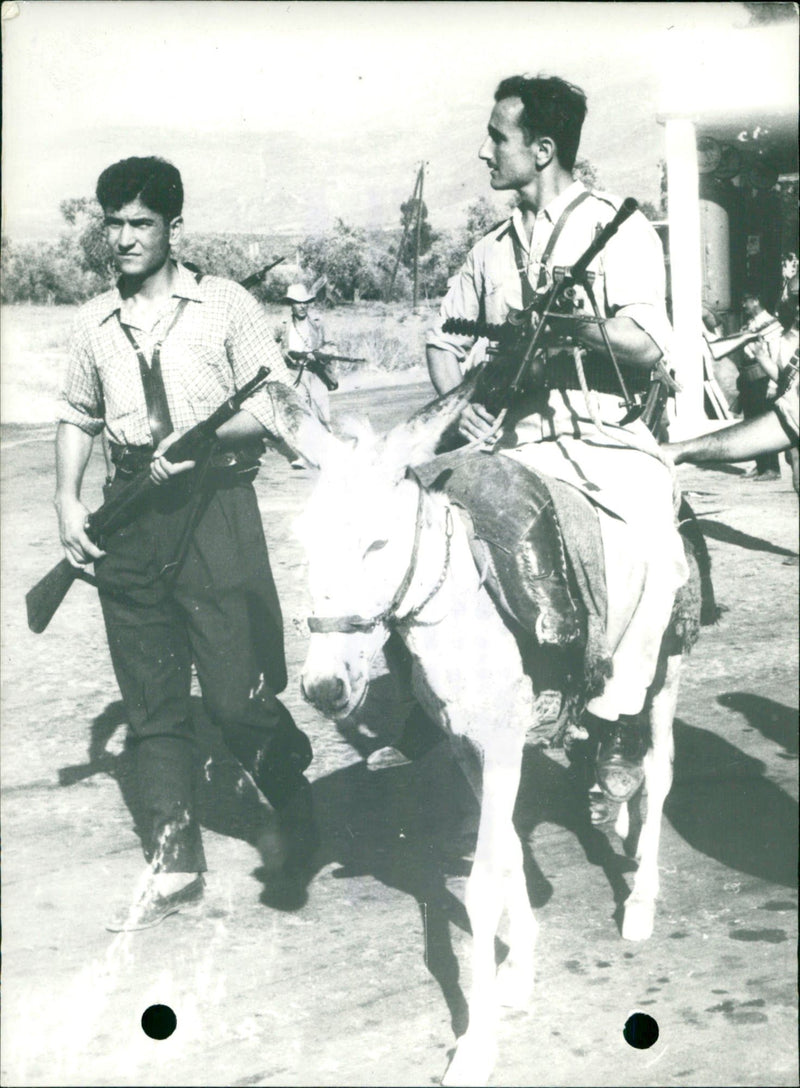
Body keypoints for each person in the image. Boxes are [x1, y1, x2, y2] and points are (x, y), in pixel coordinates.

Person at [55, 156, 315, 931]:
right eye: (115, 224)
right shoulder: (92, 323)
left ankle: (295, 801)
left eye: (141, 223)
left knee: (236, 696)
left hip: (215, 507)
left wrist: (200, 445)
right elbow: (77, 415)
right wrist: (67, 500)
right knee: (152, 695)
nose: (126, 238)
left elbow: (278, 402)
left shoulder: (226, 305)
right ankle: (174, 858)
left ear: (174, 228)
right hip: (130, 512)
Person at [419, 74, 689, 808]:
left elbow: (648, 342)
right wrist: (460, 412)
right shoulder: (491, 251)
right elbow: (443, 336)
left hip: (609, 439)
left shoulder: (617, 226)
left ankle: (619, 716)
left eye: (497, 138)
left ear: (542, 149)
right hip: (520, 439)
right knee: (425, 525)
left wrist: (572, 326)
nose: (484, 152)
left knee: (657, 553)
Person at [734, 289, 783, 480]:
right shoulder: (751, 324)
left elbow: (776, 355)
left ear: (755, 300)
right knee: (751, 422)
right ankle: (760, 465)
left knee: (764, 423)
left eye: (746, 301)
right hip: (749, 379)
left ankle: (772, 468)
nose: (743, 305)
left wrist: (773, 384)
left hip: (763, 379)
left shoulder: (771, 324)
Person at [278, 283, 336, 429]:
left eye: (305, 302)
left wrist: (318, 354)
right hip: (292, 374)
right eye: (298, 302)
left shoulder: (318, 323)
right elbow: (271, 347)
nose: (302, 306)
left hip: (316, 372)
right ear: (291, 304)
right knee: (300, 417)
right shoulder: (283, 325)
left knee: (323, 416)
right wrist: (283, 352)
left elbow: (331, 346)